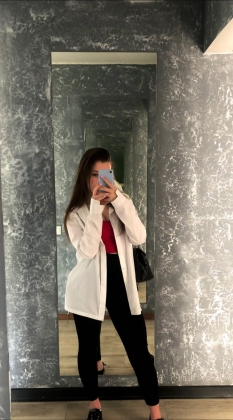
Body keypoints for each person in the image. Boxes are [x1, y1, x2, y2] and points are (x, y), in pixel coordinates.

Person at [63, 148, 164, 420]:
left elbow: (139, 237)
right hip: (87, 285)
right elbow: (87, 252)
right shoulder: (75, 214)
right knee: (87, 349)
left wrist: (118, 201)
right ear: (85, 176)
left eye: (105, 173)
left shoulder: (122, 202)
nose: (100, 180)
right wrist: (96, 209)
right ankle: (95, 406)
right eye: (94, 174)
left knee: (138, 350)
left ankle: (155, 413)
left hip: (120, 280)